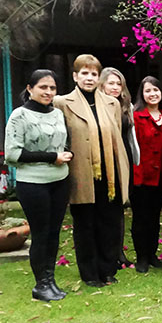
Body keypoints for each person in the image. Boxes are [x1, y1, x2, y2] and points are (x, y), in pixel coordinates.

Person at [53, 54, 130, 288]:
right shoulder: (62, 103)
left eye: (94, 74)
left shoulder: (111, 103)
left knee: (109, 223)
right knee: (85, 225)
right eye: (84, 73)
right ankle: (90, 273)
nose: (89, 78)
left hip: (109, 175)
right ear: (75, 76)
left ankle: (108, 269)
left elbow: (116, 136)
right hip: (82, 173)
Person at [4, 69, 72, 301]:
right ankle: (40, 284)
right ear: (30, 88)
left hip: (60, 181)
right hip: (33, 184)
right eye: (43, 87)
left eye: (52, 88)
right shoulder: (19, 116)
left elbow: (63, 142)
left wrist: (66, 153)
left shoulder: (57, 114)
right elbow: (13, 154)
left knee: (54, 233)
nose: (49, 92)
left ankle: (50, 279)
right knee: (41, 233)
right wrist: (52, 157)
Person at [98, 67, 140, 269]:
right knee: (103, 208)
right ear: (102, 84)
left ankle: (119, 253)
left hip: (124, 161)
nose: (115, 87)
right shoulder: (96, 105)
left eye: (118, 83)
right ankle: (105, 253)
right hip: (104, 161)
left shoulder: (126, 106)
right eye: (111, 83)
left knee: (119, 209)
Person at [131, 76, 162, 273]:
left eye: (155, 90)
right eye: (148, 91)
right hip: (142, 177)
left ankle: (153, 254)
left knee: (155, 217)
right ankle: (142, 257)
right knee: (141, 217)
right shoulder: (136, 117)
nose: (152, 94)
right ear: (142, 94)